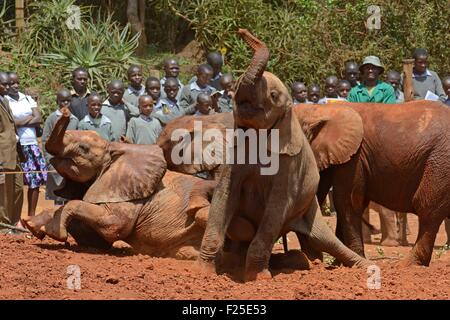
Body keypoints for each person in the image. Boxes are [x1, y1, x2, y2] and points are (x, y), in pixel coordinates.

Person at [6, 72, 46, 223]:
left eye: (17, 82)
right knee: (15, 183)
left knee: (34, 182)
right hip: (16, 145)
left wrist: (19, 121)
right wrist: (29, 120)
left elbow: (39, 118)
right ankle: (13, 217)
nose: (15, 86)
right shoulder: (5, 101)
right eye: (11, 83)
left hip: (32, 144)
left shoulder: (27, 98)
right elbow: (10, 123)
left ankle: (31, 216)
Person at [41, 89, 79, 206]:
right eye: (63, 101)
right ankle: (56, 220)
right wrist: (49, 160)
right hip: (55, 161)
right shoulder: (52, 118)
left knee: (69, 192)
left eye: (68, 101)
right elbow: (44, 140)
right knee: (57, 193)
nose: (65, 103)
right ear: (57, 101)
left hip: (69, 161)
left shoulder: (75, 120)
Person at [0, 72, 23, 233]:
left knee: (18, 189)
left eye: (9, 84)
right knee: (4, 193)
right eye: (4, 84)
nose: (8, 87)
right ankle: (3, 226)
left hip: (14, 154)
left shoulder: (5, 100)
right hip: (2, 156)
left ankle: (14, 223)